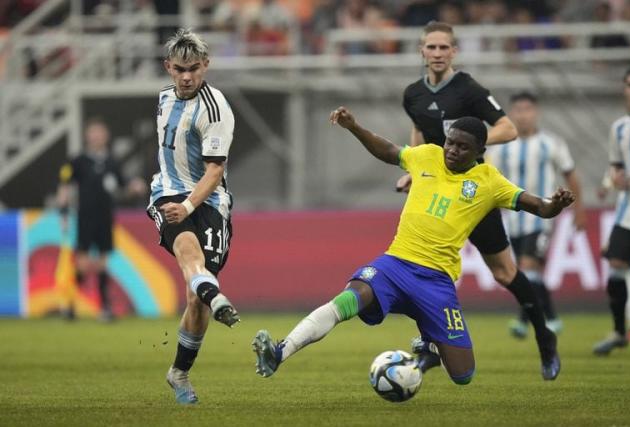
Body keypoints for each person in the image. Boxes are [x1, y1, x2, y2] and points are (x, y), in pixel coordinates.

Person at [252, 108, 574, 384]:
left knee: (463, 375)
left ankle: (430, 341)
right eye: (450, 142)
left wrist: (556, 204)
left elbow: (540, 208)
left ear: (478, 152)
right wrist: (354, 128)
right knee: (350, 298)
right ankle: (280, 351)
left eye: (463, 147)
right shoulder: (427, 154)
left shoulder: (490, 181)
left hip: (437, 281)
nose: (452, 150)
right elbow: (388, 150)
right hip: (395, 265)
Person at [395, 21, 558, 379]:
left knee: (504, 272)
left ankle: (545, 338)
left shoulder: (468, 89)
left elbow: (508, 128)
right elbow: (420, 133)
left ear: (454, 51)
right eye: (431, 48)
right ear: (421, 51)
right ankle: (430, 346)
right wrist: (414, 170)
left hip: (470, 192)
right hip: (435, 191)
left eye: (444, 48)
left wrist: (469, 142)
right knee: (422, 267)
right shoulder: (412, 94)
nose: (437, 54)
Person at [146, 28, 239, 404]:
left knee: (194, 300)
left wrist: (190, 205)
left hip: (210, 202)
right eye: (181, 69)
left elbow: (215, 171)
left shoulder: (216, 109)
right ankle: (216, 297)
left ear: (206, 65)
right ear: (169, 67)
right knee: (188, 251)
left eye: (195, 69)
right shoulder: (163, 98)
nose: (188, 77)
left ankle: (179, 371)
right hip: (167, 195)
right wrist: (179, 206)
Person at [486, 91, 586, 338]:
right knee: (526, 272)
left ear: (536, 112)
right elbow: (488, 179)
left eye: (528, 109)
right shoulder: (501, 149)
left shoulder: (551, 143)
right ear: (511, 114)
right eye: (518, 110)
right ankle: (550, 317)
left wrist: (579, 210)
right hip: (515, 221)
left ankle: (529, 320)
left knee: (529, 267)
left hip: (543, 218)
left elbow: (570, 175)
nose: (523, 115)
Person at [57, 117, 145, 321]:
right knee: (83, 264)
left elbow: (123, 185)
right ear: (87, 135)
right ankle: (70, 304)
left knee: (103, 262)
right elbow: (64, 186)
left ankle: (105, 308)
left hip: (105, 217)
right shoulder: (77, 160)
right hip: (84, 217)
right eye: (93, 132)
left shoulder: (112, 162)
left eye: (100, 132)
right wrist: (63, 212)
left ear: (106, 136)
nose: (96, 136)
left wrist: (135, 186)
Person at [594, 65, 630, 355]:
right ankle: (620, 331)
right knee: (615, 270)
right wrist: (614, 179)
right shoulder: (619, 128)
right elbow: (615, 166)